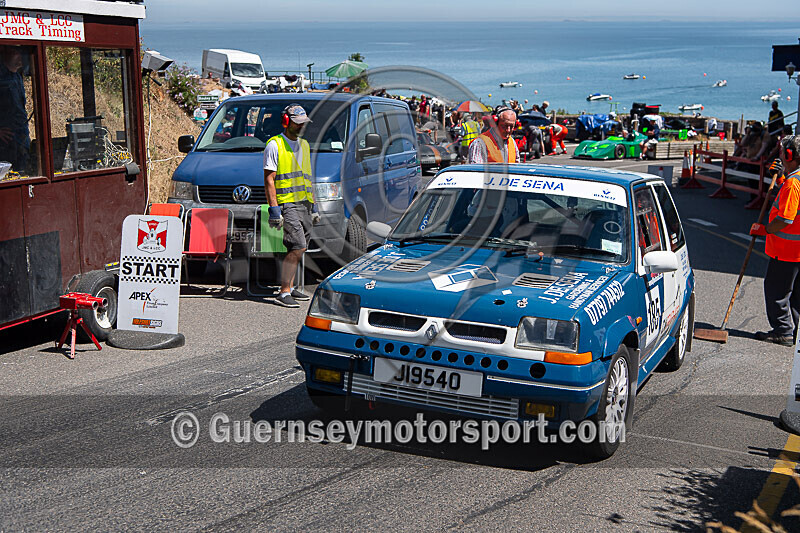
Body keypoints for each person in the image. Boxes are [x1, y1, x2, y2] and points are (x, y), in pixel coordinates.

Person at [263, 104, 320, 308]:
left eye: (303, 123)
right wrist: (274, 209)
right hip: (288, 203)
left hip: (305, 203)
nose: (300, 127)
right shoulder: (275, 145)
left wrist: (314, 206)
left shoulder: (304, 145)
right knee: (298, 246)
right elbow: (269, 180)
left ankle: (291, 286)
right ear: (286, 122)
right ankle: (284, 291)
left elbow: (307, 177)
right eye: (297, 123)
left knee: (299, 248)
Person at [750, 135, 800, 345]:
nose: (779, 154)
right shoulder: (793, 180)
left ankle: (783, 330)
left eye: (782, 151)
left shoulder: (793, 184)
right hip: (796, 251)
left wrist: (765, 230)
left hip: (788, 250)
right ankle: (795, 332)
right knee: (796, 295)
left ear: (790, 155)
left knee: (777, 291)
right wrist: (779, 178)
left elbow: (786, 218)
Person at [0, 46, 30, 174]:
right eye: (16, 52)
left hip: (21, 138)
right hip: (5, 143)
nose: (21, 57)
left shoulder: (17, 77)